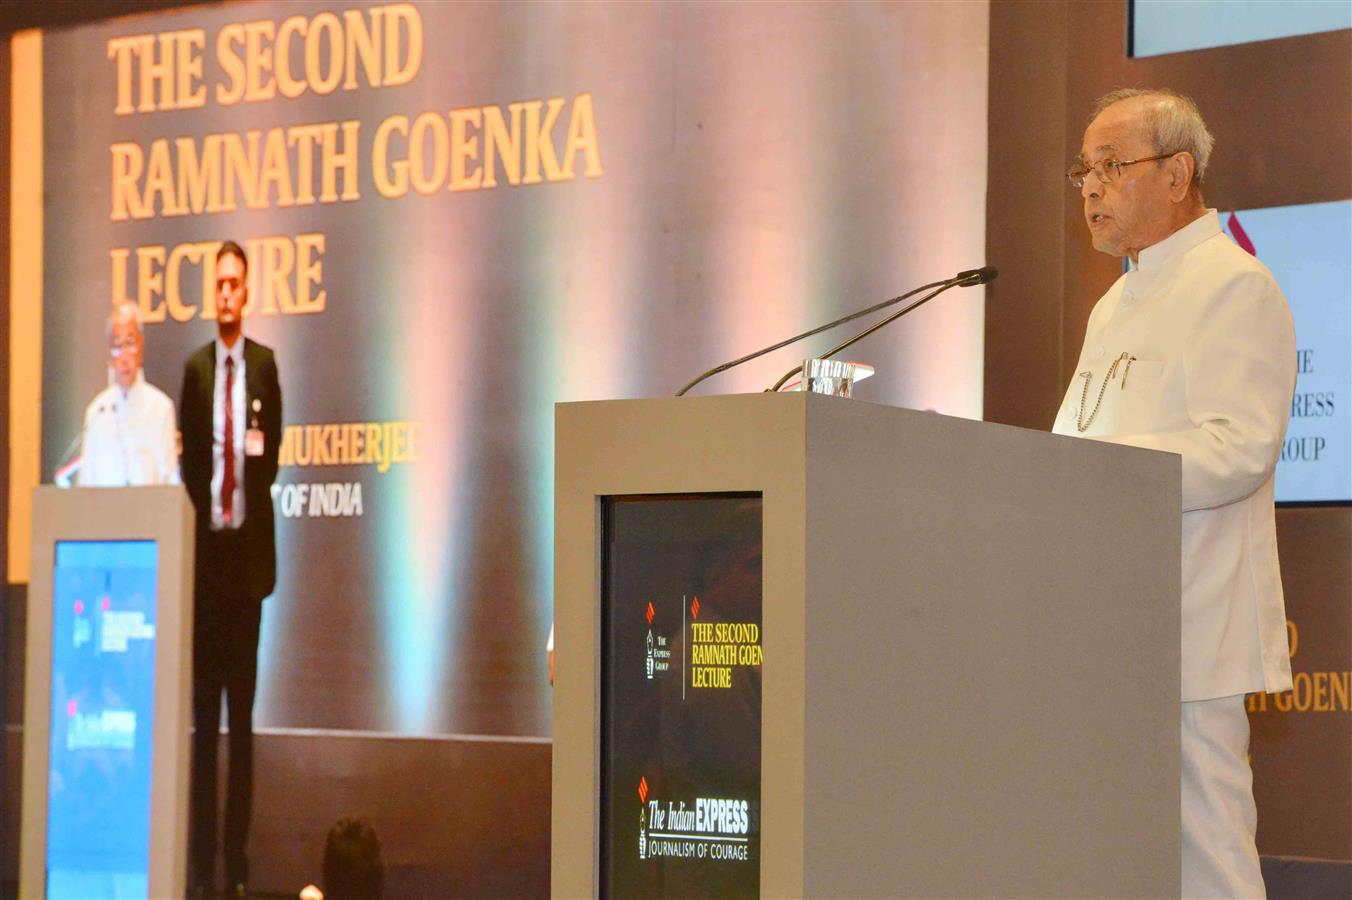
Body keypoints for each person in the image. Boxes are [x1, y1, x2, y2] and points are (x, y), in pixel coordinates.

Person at [1053, 89, 1294, 897]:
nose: (1090, 185)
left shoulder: (1234, 284)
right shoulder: (1115, 301)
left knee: (1208, 858)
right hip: (1107, 621)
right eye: (1084, 169)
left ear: (1177, 174)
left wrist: (1102, 467)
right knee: (1114, 856)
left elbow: (1240, 449)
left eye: (1112, 165)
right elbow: (1065, 450)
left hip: (1191, 620)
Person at [180, 240, 283, 897]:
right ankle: (197, 862)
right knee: (203, 723)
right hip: (205, 565)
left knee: (240, 724)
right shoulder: (193, 370)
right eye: (217, 282)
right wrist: (212, 519)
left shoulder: (266, 367)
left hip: (246, 570)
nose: (225, 293)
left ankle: (236, 865)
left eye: (233, 283)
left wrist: (240, 514)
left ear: (246, 294)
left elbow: (270, 457)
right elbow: (191, 464)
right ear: (210, 292)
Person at [76, 300, 178, 486]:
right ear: (109, 353)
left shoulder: (161, 408)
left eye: (130, 343)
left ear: (142, 346)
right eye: (117, 345)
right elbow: (85, 483)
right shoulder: (97, 411)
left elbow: (170, 481)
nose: (124, 356)